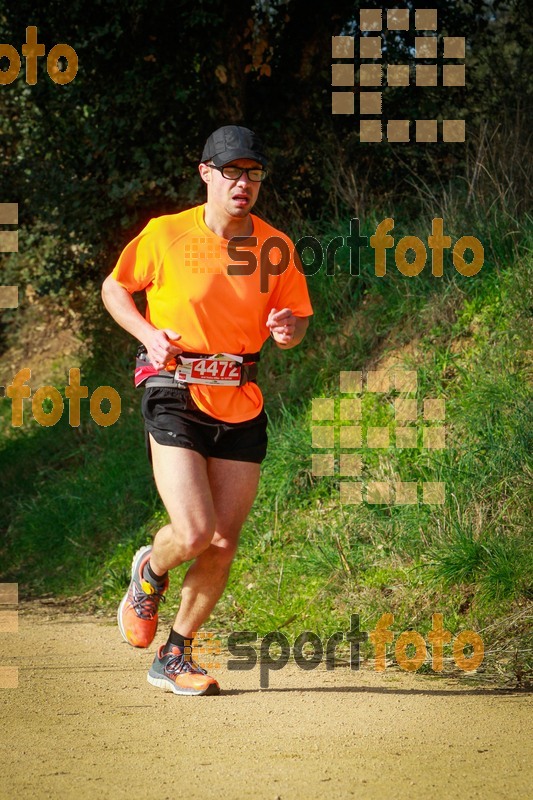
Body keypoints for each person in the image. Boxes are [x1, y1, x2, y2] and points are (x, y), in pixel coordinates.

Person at [101, 125, 313, 696]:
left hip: (240, 397)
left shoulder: (276, 246)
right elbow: (115, 289)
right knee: (195, 530)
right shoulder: (166, 234)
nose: (243, 184)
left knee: (223, 541)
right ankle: (151, 568)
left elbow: (294, 319)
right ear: (206, 174)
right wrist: (148, 334)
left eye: (253, 173)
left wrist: (288, 330)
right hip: (173, 386)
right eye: (231, 172)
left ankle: (174, 655)